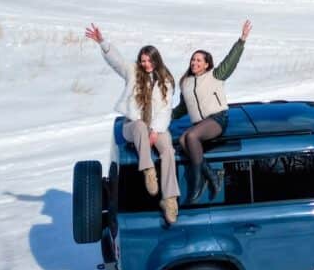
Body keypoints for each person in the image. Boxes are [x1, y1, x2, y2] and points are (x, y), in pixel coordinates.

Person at [85, 24, 180, 225]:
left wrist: (155, 131)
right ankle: (148, 171)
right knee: (138, 125)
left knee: (168, 151)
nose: (145, 64)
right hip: (132, 126)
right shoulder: (133, 71)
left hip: (157, 126)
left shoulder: (166, 81)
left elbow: (165, 109)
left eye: (149, 60)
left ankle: (170, 199)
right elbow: (116, 62)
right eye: (143, 60)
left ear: (156, 59)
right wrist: (103, 42)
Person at [174, 20, 252, 204]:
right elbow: (182, 109)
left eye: (198, 60)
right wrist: (162, 117)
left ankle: (198, 182)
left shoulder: (215, 76)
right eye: (193, 59)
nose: (194, 62)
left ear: (207, 64)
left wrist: (241, 40)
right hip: (199, 125)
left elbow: (230, 61)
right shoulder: (185, 83)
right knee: (184, 140)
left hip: (217, 120)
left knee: (191, 137)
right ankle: (212, 174)